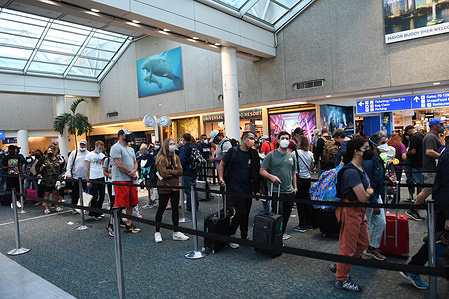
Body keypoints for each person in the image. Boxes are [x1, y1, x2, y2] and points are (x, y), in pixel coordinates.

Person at [399, 138, 449, 290]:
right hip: (443, 206)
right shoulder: (445, 154)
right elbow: (446, 186)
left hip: (442, 204)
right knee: (437, 239)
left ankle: (413, 268)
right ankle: (413, 268)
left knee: (435, 239)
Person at [335, 137, 374, 292]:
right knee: (347, 248)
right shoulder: (351, 171)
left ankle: (340, 264)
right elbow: (364, 196)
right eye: (366, 148)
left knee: (363, 242)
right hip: (350, 211)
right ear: (357, 152)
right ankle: (341, 279)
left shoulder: (360, 168)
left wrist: (368, 191)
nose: (369, 150)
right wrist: (369, 192)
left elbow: (367, 188)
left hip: (359, 211)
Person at [218, 131, 260, 248]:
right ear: (244, 138)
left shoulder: (253, 153)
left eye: (254, 139)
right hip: (235, 187)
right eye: (251, 138)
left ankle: (243, 236)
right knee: (241, 212)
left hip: (248, 187)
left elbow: (256, 170)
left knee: (246, 213)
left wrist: (258, 186)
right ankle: (230, 233)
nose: (253, 141)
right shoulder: (234, 151)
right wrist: (221, 178)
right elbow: (222, 164)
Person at [260, 131, 297, 240]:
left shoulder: (291, 156)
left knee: (286, 215)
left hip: (289, 191)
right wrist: (271, 176)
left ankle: (281, 233)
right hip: (275, 190)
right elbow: (262, 171)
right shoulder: (271, 155)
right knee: (276, 215)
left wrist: (295, 188)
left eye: (287, 138)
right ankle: (274, 237)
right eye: (283, 138)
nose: (285, 140)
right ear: (278, 140)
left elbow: (293, 172)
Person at [407, 118, 445, 221]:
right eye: (440, 125)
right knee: (428, 189)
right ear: (434, 126)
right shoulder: (430, 137)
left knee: (434, 189)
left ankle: (435, 210)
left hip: (433, 168)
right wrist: (443, 157)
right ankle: (413, 209)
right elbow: (429, 152)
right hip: (430, 168)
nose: (442, 126)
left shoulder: (434, 136)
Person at [154, 138, 189, 243]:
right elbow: (163, 174)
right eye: (170, 144)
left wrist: (170, 171)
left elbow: (180, 171)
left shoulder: (176, 157)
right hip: (164, 187)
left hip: (175, 187)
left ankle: (176, 232)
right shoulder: (160, 158)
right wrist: (174, 172)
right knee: (161, 209)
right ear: (166, 145)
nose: (173, 145)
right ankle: (157, 232)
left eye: (174, 144)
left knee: (175, 209)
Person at [362, 131, 389, 261]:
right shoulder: (369, 160)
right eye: (383, 143)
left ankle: (372, 247)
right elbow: (368, 182)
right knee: (365, 225)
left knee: (381, 223)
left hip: (376, 194)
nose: (386, 145)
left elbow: (377, 176)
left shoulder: (378, 158)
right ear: (374, 145)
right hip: (369, 197)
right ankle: (359, 250)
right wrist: (374, 203)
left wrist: (387, 178)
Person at [110, 129, 140, 233]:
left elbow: (135, 162)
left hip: (130, 179)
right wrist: (129, 172)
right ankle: (111, 224)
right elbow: (119, 164)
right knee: (120, 203)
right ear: (122, 136)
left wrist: (134, 171)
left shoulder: (131, 149)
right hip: (120, 179)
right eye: (127, 135)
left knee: (131, 203)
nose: (129, 137)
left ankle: (129, 224)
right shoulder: (115, 148)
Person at [293, 135, 315, 232]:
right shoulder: (310, 153)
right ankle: (309, 223)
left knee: (300, 202)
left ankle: (302, 224)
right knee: (307, 201)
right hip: (308, 178)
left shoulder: (295, 153)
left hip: (298, 179)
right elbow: (312, 166)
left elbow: (293, 167)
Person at [36, 145, 64, 214]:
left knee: (55, 193)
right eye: (48, 151)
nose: (49, 152)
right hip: (46, 179)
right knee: (47, 193)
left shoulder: (58, 158)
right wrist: (38, 173)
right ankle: (46, 208)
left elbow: (61, 167)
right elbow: (37, 165)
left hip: (55, 179)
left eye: (51, 150)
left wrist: (61, 163)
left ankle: (57, 206)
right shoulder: (44, 158)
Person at [66, 139, 90, 214]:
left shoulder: (88, 153)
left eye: (84, 144)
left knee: (86, 194)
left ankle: (85, 207)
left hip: (86, 177)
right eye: (81, 144)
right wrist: (68, 173)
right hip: (76, 177)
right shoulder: (74, 153)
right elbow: (69, 164)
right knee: (75, 193)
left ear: (86, 145)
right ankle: (74, 207)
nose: (82, 146)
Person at [85, 140, 106, 220]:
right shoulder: (89, 155)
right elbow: (86, 168)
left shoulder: (102, 155)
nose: (100, 150)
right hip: (93, 178)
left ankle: (99, 211)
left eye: (102, 148)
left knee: (102, 195)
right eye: (99, 148)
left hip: (101, 177)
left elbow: (105, 165)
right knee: (95, 196)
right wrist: (88, 180)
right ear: (96, 147)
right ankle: (95, 213)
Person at [178, 133, 199, 212]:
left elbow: (182, 161)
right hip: (194, 171)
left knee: (188, 191)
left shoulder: (184, 149)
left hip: (186, 172)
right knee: (194, 190)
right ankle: (195, 206)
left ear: (183, 139)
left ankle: (190, 208)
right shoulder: (193, 147)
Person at [387, 133, 407, 204]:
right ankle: (395, 200)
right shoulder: (401, 145)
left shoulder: (388, 145)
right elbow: (403, 157)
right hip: (398, 166)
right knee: (397, 183)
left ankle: (387, 198)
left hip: (389, 166)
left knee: (388, 182)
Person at [137, 143, 156, 208]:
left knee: (149, 187)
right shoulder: (141, 156)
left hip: (150, 174)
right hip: (144, 174)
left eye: (144, 149)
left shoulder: (150, 156)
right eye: (141, 150)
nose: (143, 151)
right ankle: (152, 200)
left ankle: (150, 201)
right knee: (148, 187)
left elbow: (153, 165)